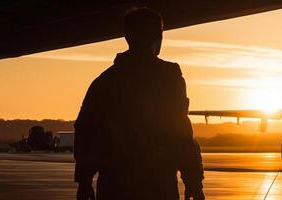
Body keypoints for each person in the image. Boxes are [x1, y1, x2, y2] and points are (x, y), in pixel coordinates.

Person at [74, 7, 204, 200]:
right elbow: (181, 133)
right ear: (158, 37)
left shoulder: (105, 81)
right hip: (158, 182)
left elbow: (86, 133)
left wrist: (84, 182)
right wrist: (193, 181)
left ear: (127, 36)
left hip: (115, 183)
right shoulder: (168, 78)